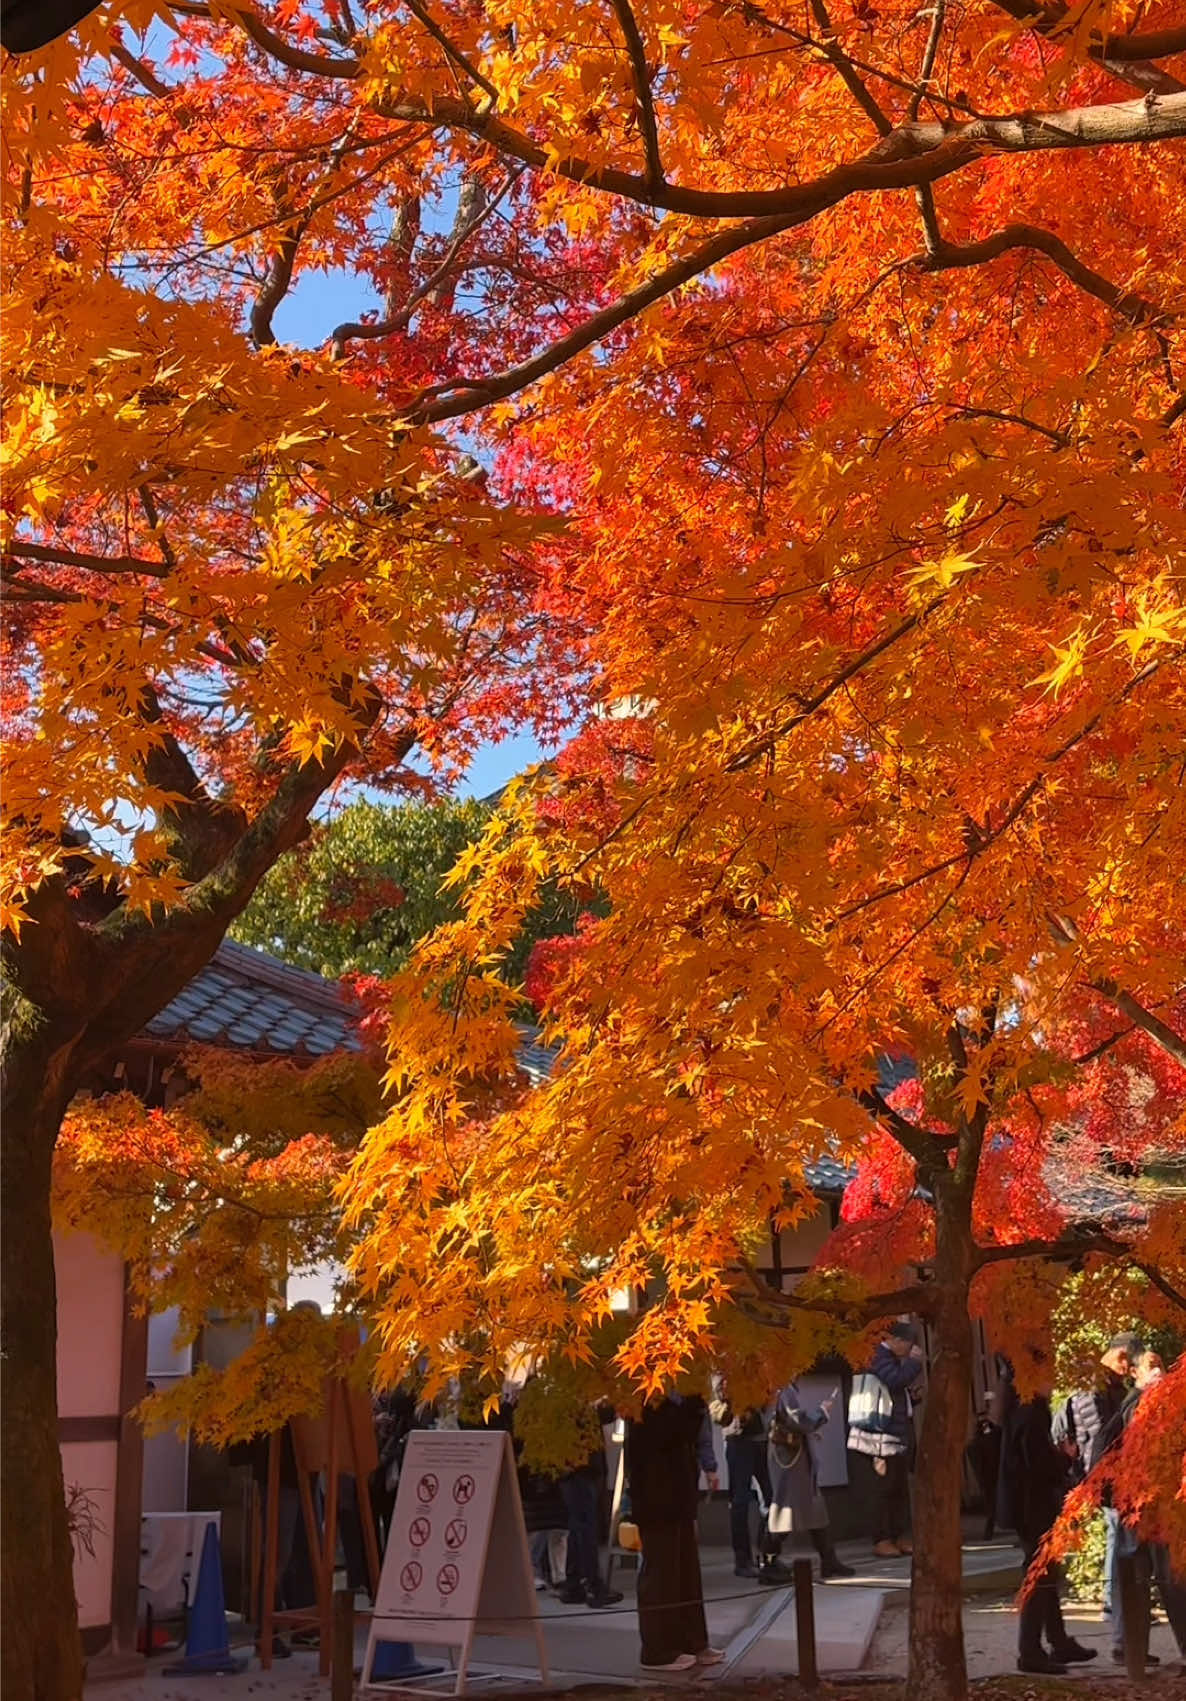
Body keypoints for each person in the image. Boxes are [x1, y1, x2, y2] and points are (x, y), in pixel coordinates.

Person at [997, 1356, 1097, 1676]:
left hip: (1030, 1505)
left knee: (1045, 1574)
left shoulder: (1024, 1411)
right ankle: (1031, 1650)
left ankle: (1057, 1640)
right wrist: (1064, 1457)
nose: (1052, 1380)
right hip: (1033, 1507)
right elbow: (1036, 1467)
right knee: (1039, 1576)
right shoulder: (1029, 1414)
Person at [625, 1393, 724, 1672]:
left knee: (685, 1573)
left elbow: (689, 1434)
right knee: (661, 1574)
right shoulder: (646, 1399)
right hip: (656, 1499)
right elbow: (668, 1435)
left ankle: (692, 1641)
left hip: (679, 1495)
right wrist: (692, 1409)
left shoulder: (683, 1401)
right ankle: (658, 1650)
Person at [1099, 1348, 1185, 1669]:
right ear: (1135, 1373)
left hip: (1155, 1507)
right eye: (1151, 1367)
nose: (1158, 1372)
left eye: (1161, 1365)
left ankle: (1131, 1648)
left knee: (1165, 1580)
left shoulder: (1165, 1405)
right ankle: (1129, 1649)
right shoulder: (1136, 1406)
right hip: (1142, 1507)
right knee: (1150, 1579)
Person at [1060, 1331, 1143, 1651]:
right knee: (1119, 1542)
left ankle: (1114, 1603)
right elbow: (1102, 1441)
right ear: (1122, 1357)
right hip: (1109, 1482)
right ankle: (1113, 1604)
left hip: (1108, 1480)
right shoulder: (1096, 1392)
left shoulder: (1102, 1387)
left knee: (1117, 1541)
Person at [847, 1322, 924, 1557]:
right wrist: (913, 1363)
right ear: (897, 1340)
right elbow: (893, 1380)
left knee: (899, 1488)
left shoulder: (888, 1357)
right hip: (878, 1437)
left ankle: (899, 1535)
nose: (909, 1350)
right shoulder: (878, 1356)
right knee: (884, 1488)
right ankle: (882, 1538)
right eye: (908, 1346)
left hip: (893, 1433)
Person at [766, 1382, 853, 1580]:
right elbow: (798, 1419)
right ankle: (769, 1561)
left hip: (795, 1455)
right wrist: (821, 1412)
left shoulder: (784, 1387)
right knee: (786, 1507)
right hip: (789, 1458)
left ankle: (828, 1559)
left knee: (812, 1505)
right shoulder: (783, 1388)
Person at [711, 1393, 784, 1582]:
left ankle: (768, 1555)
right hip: (739, 1438)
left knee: (770, 1498)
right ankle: (742, 1560)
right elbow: (720, 1393)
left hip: (761, 1437)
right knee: (740, 1501)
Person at [556, 1405, 623, 1609]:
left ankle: (574, 1583)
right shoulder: (573, 1396)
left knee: (579, 1526)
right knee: (585, 1527)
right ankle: (593, 1584)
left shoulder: (562, 1395)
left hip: (574, 1466)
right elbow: (587, 1417)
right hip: (580, 1466)